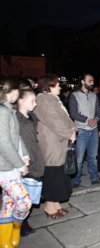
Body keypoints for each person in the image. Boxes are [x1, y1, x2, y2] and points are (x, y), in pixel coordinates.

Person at [34, 74, 76, 220]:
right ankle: (49, 206)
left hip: (58, 142)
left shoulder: (52, 99)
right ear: (49, 85)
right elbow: (54, 121)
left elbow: (65, 118)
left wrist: (72, 129)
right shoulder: (44, 99)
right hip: (51, 143)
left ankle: (56, 203)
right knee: (53, 174)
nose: (60, 86)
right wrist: (69, 133)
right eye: (57, 84)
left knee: (59, 173)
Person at [0, 78, 32, 248]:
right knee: (24, 202)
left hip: (11, 166)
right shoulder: (2, 111)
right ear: (13, 91)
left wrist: (25, 155)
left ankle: (6, 241)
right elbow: (3, 141)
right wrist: (19, 164)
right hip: (4, 167)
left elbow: (17, 137)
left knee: (8, 203)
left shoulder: (9, 110)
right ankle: (16, 227)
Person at [15, 87, 45, 237]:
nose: (35, 104)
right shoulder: (15, 118)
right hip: (25, 160)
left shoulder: (31, 116)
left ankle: (24, 221)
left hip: (35, 156)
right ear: (20, 101)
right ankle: (20, 225)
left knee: (32, 194)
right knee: (23, 196)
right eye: (32, 101)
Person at [69, 73, 100, 187]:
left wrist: (96, 119)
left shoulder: (94, 96)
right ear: (83, 82)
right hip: (82, 130)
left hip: (93, 130)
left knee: (93, 156)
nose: (92, 83)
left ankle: (94, 177)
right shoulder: (74, 95)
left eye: (92, 81)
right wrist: (87, 120)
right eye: (90, 81)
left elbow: (98, 111)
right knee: (79, 158)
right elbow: (73, 113)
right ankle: (76, 180)